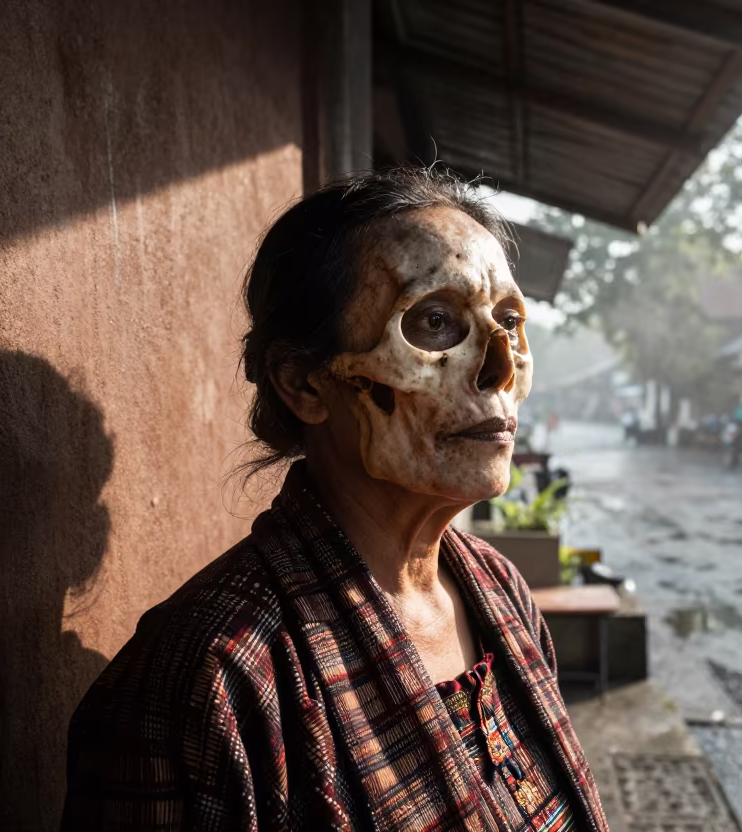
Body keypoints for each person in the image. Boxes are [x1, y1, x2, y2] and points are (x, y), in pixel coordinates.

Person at [62, 168, 610, 831]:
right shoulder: (212, 680)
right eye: (436, 321)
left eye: (509, 323)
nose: (499, 370)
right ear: (303, 385)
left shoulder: (499, 589)